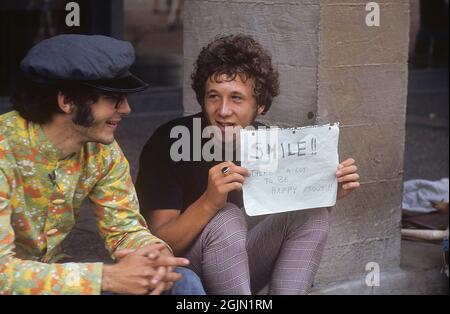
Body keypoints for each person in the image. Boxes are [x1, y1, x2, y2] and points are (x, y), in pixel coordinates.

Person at [135, 34, 360, 295]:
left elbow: (294, 221)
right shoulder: (172, 141)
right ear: (202, 98)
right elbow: (158, 245)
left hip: (236, 271)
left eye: (237, 99)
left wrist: (326, 191)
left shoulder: (269, 144)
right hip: (183, 275)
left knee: (313, 214)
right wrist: (209, 202)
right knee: (226, 216)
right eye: (213, 97)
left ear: (260, 106)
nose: (223, 110)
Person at [0, 34, 205, 295]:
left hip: (55, 284)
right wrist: (105, 278)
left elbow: (124, 228)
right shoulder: (4, 149)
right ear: (67, 101)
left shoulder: (101, 151)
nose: (127, 109)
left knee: (180, 281)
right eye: (114, 99)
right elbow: (3, 275)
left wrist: (154, 256)